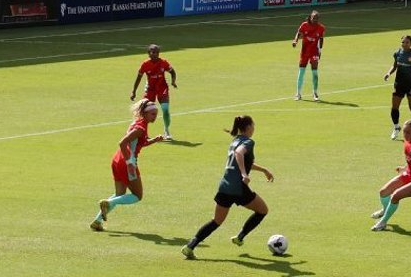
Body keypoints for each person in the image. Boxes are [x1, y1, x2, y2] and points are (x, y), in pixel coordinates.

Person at [181, 115, 274, 259]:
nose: (254, 128)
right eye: (253, 125)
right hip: (238, 187)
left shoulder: (234, 141)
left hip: (225, 186)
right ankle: (240, 237)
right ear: (248, 127)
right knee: (263, 210)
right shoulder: (248, 142)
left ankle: (190, 246)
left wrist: (263, 170)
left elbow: (240, 159)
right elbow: (239, 154)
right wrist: (244, 174)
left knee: (216, 221)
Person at [91, 99, 168, 231]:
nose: (155, 117)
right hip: (127, 163)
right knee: (137, 196)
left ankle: (97, 221)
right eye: (153, 114)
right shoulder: (141, 128)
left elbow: (138, 142)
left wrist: (154, 140)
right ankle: (107, 203)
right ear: (145, 113)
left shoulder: (138, 124)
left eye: (156, 114)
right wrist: (129, 162)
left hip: (117, 160)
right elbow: (122, 143)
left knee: (120, 194)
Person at [370, 119, 411, 231]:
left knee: (395, 196)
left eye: (408, 132)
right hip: (410, 174)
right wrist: (404, 168)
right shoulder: (407, 142)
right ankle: (385, 210)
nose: (405, 135)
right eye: (404, 132)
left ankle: (383, 222)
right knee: (383, 192)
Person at [383, 35, 411, 141]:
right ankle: (396, 127)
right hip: (399, 84)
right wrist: (389, 73)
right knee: (394, 107)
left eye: (407, 42)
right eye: (403, 42)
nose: (404, 44)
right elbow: (394, 66)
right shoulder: (397, 53)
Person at [131, 44, 177, 138]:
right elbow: (138, 78)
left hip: (162, 88)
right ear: (149, 53)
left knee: (165, 109)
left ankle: (166, 131)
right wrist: (134, 91)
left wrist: (173, 82)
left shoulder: (163, 62)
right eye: (153, 52)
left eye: (157, 52)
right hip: (150, 89)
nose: (155, 54)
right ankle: (144, 133)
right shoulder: (145, 64)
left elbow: (172, 72)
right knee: (145, 111)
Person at [291, 10, 325, 100]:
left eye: (317, 19)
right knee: (301, 72)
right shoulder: (304, 25)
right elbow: (298, 34)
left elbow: (321, 40)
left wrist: (320, 51)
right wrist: (295, 41)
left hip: (314, 52)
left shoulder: (321, 28)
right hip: (305, 52)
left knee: (314, 72)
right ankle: (298, 94)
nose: (315, 20)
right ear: (310, 17)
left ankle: (315, 93)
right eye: (314, 18)